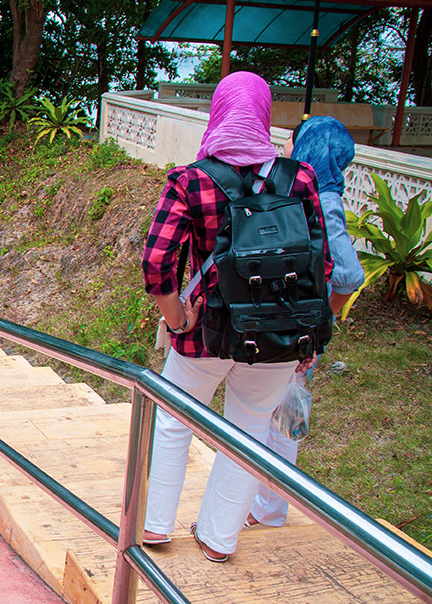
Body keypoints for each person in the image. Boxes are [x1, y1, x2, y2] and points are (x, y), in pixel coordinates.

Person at [140, 71, 331, 562]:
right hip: (278, 334)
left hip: (206, 329)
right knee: (248, 432)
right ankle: (219, 539)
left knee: (173, 422)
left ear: (219, 113)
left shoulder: (192, 180)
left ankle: (157, 525)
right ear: (264, 116)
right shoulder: (300, 178)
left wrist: (178, 317)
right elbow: (320, 261)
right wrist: (310, 336)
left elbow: (157, 259)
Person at [245, 115, 364, 529]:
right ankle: (265, 505)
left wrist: (322, 320)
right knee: (278, 413)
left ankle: (268, 507)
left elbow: (347, 274)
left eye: (296, 143)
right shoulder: (316, 193)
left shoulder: (323, 201)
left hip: (296, 327)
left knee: (273, 418)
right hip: (298, 325)